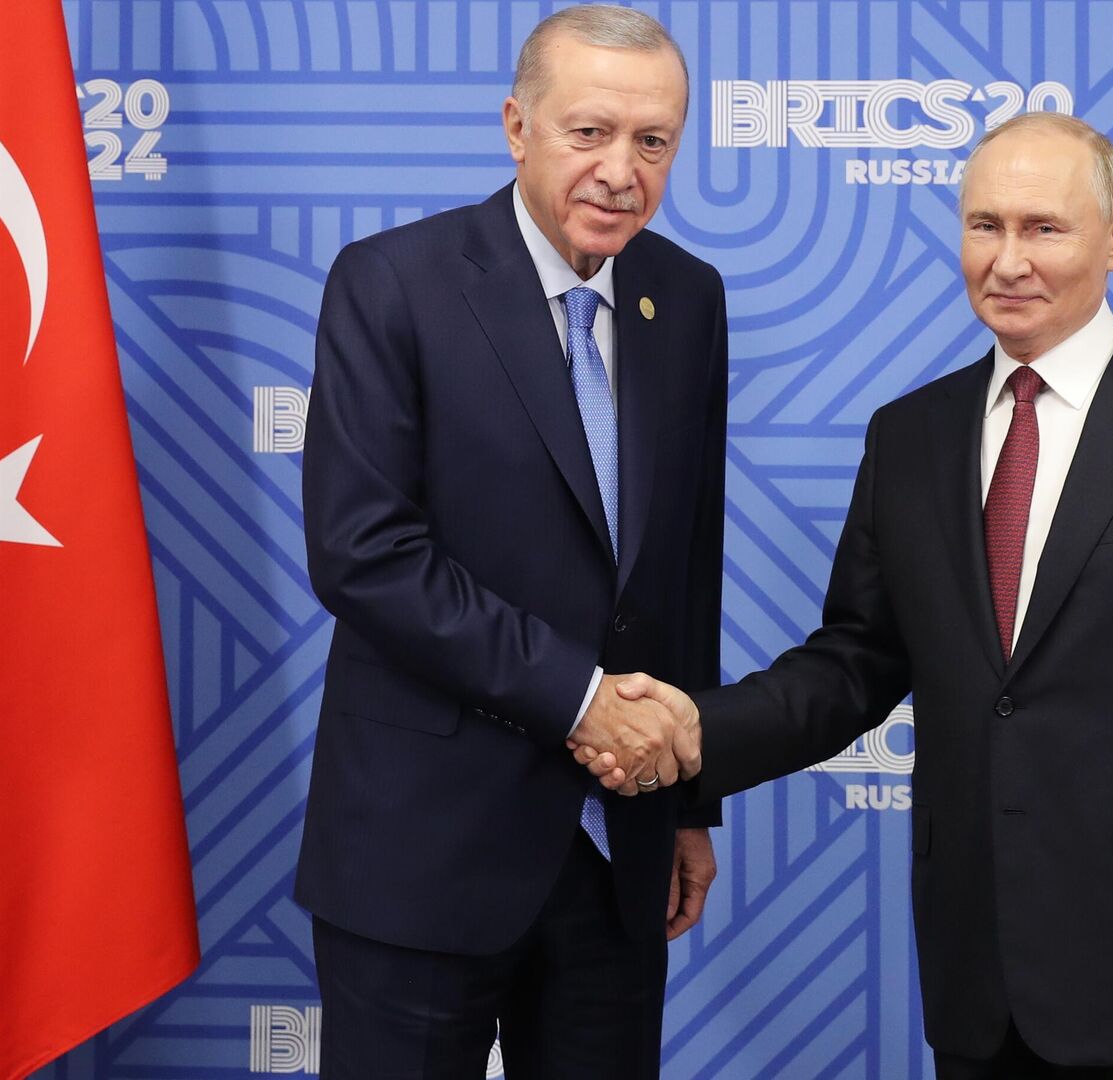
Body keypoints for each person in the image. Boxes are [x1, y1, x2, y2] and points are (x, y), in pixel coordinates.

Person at [585, 112, 1113, 1078]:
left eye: (1043, 228)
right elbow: (854, 663)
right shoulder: (911, 434)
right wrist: (696, 731)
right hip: (977, 978)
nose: (1007, 260)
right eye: (985, 226)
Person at [294, 7, 721, 1077]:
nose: (621, 172)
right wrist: (581, 699)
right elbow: (364, 553)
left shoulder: (687, 296)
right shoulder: (392, 281)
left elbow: (682, 567)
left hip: (616, 849)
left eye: (654, 140)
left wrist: (685, 803)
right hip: (422, 851)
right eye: (590, 132)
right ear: (517, 127)